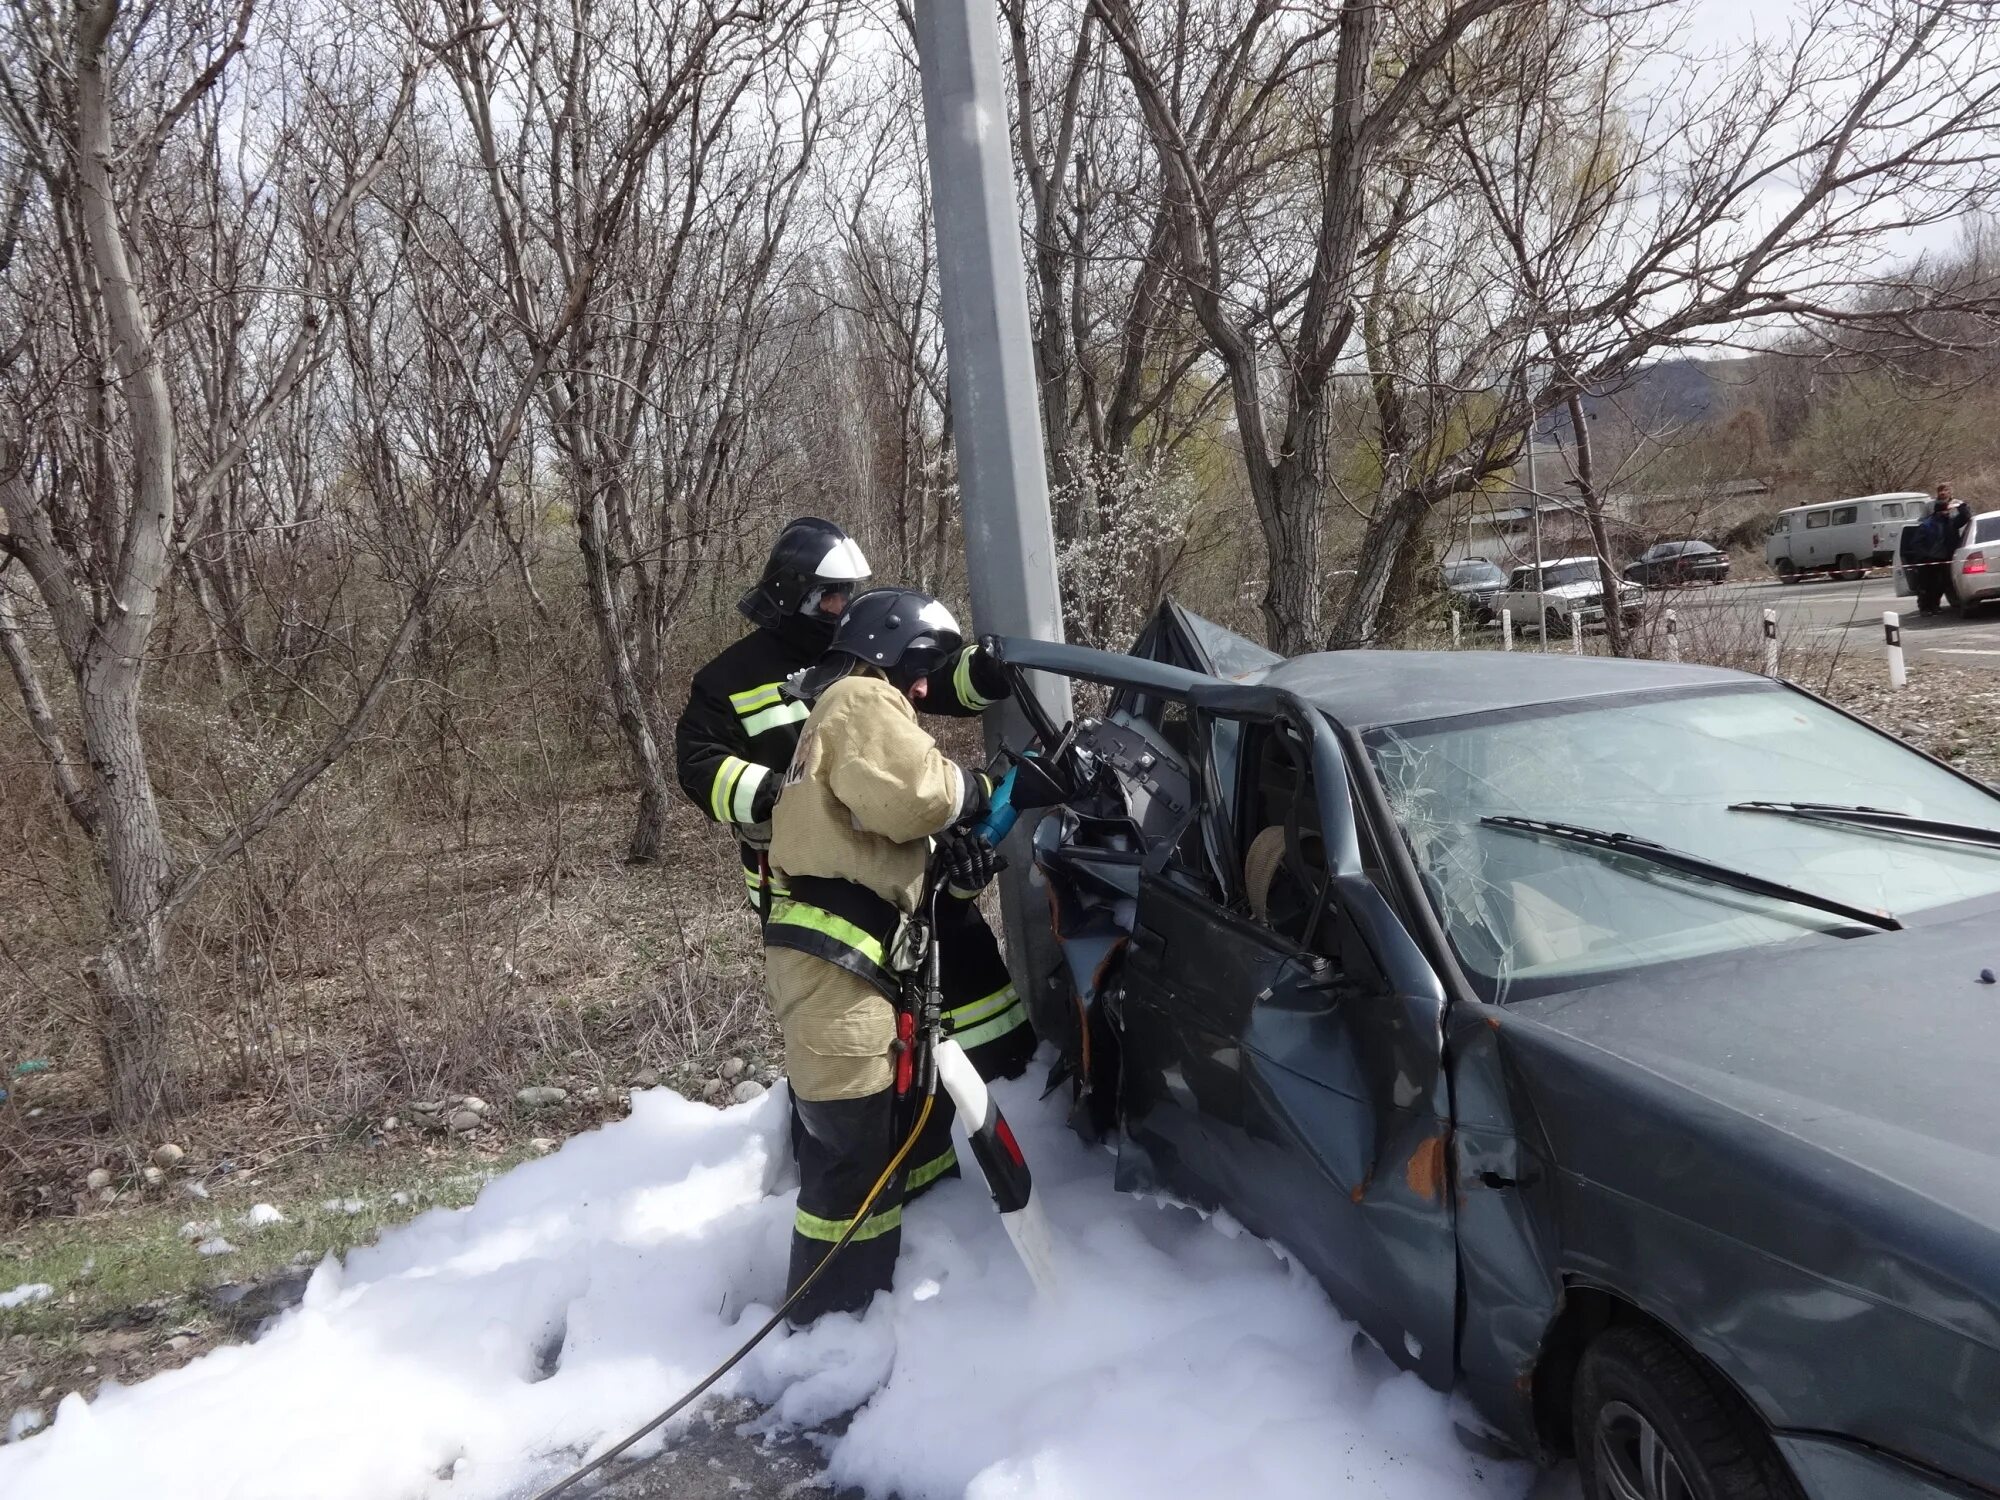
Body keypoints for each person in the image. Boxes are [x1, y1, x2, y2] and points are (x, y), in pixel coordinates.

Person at [673, 519, 1035, 1183]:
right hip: (812, 894)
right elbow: (698, 765)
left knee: (967, 975)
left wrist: (985, 671)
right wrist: (788, 798)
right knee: (856, 1033)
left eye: (849, 593)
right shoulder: (727, 680)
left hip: (897, 861)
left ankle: (1014, 1097)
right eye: (832, 594)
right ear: (794, 592)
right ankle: (870, 1157)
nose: (844, 606)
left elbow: (930, 682)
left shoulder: (858, 653)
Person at [761, 587, 1003, 1321]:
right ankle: (832, 1324)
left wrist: (945, 864)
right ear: (885, 652)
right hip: (838, 976)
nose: (925, 688)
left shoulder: (833, 712)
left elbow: (870, 837)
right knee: (850, 1154)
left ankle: (919, 1266)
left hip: (853, 966)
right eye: (919, 668)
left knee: (903, 1123)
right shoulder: (863, 699)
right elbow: (918, 798)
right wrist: (981, 790)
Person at [1902, 485, 1970, 616]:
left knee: (1940, 585)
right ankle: (1925, 608)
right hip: (1928, 561)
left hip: (1945, 558)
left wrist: (1961, 505)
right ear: (1939, 512)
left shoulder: (1950, 523)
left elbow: (1965, 517)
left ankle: (1935, 606)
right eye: (1946, 511)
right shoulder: (1927, 525)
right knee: (1926, 586)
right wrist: (1925, 556)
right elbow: (1916, 543)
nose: (1948, 513)